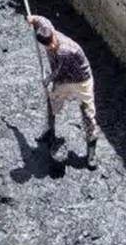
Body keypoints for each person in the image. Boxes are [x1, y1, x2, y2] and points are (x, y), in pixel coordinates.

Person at [28, 14, 100, 167]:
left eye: (52, 43)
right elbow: (40, 20)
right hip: (63, 80)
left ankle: (91, 151)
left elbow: (57, 73)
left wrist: (46, 81)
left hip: (81, 80)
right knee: (52, 103)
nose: (52, 46)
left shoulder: (65, 51)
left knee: (88, 113)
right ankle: (50, 132)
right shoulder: (47, 28)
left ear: (54, 36)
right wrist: (31, 18)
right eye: (48, 46)